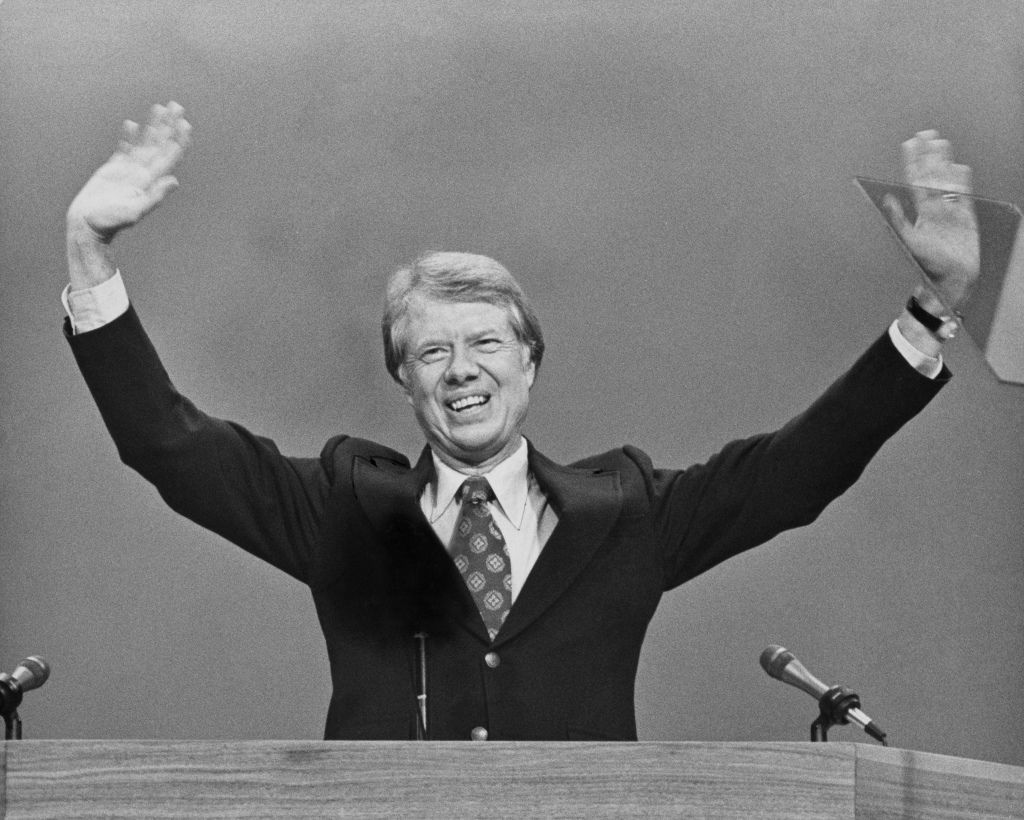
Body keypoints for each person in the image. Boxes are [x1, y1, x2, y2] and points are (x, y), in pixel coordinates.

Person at [63, 103, 977, 741]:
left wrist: (936, 306)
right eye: (431, 354)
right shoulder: (344, 506)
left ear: (530, 361)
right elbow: (167, 444)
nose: (462, 371)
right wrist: (89, 252)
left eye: (486, 345)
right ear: (405, 383)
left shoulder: (626, 514)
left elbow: (798, 470)